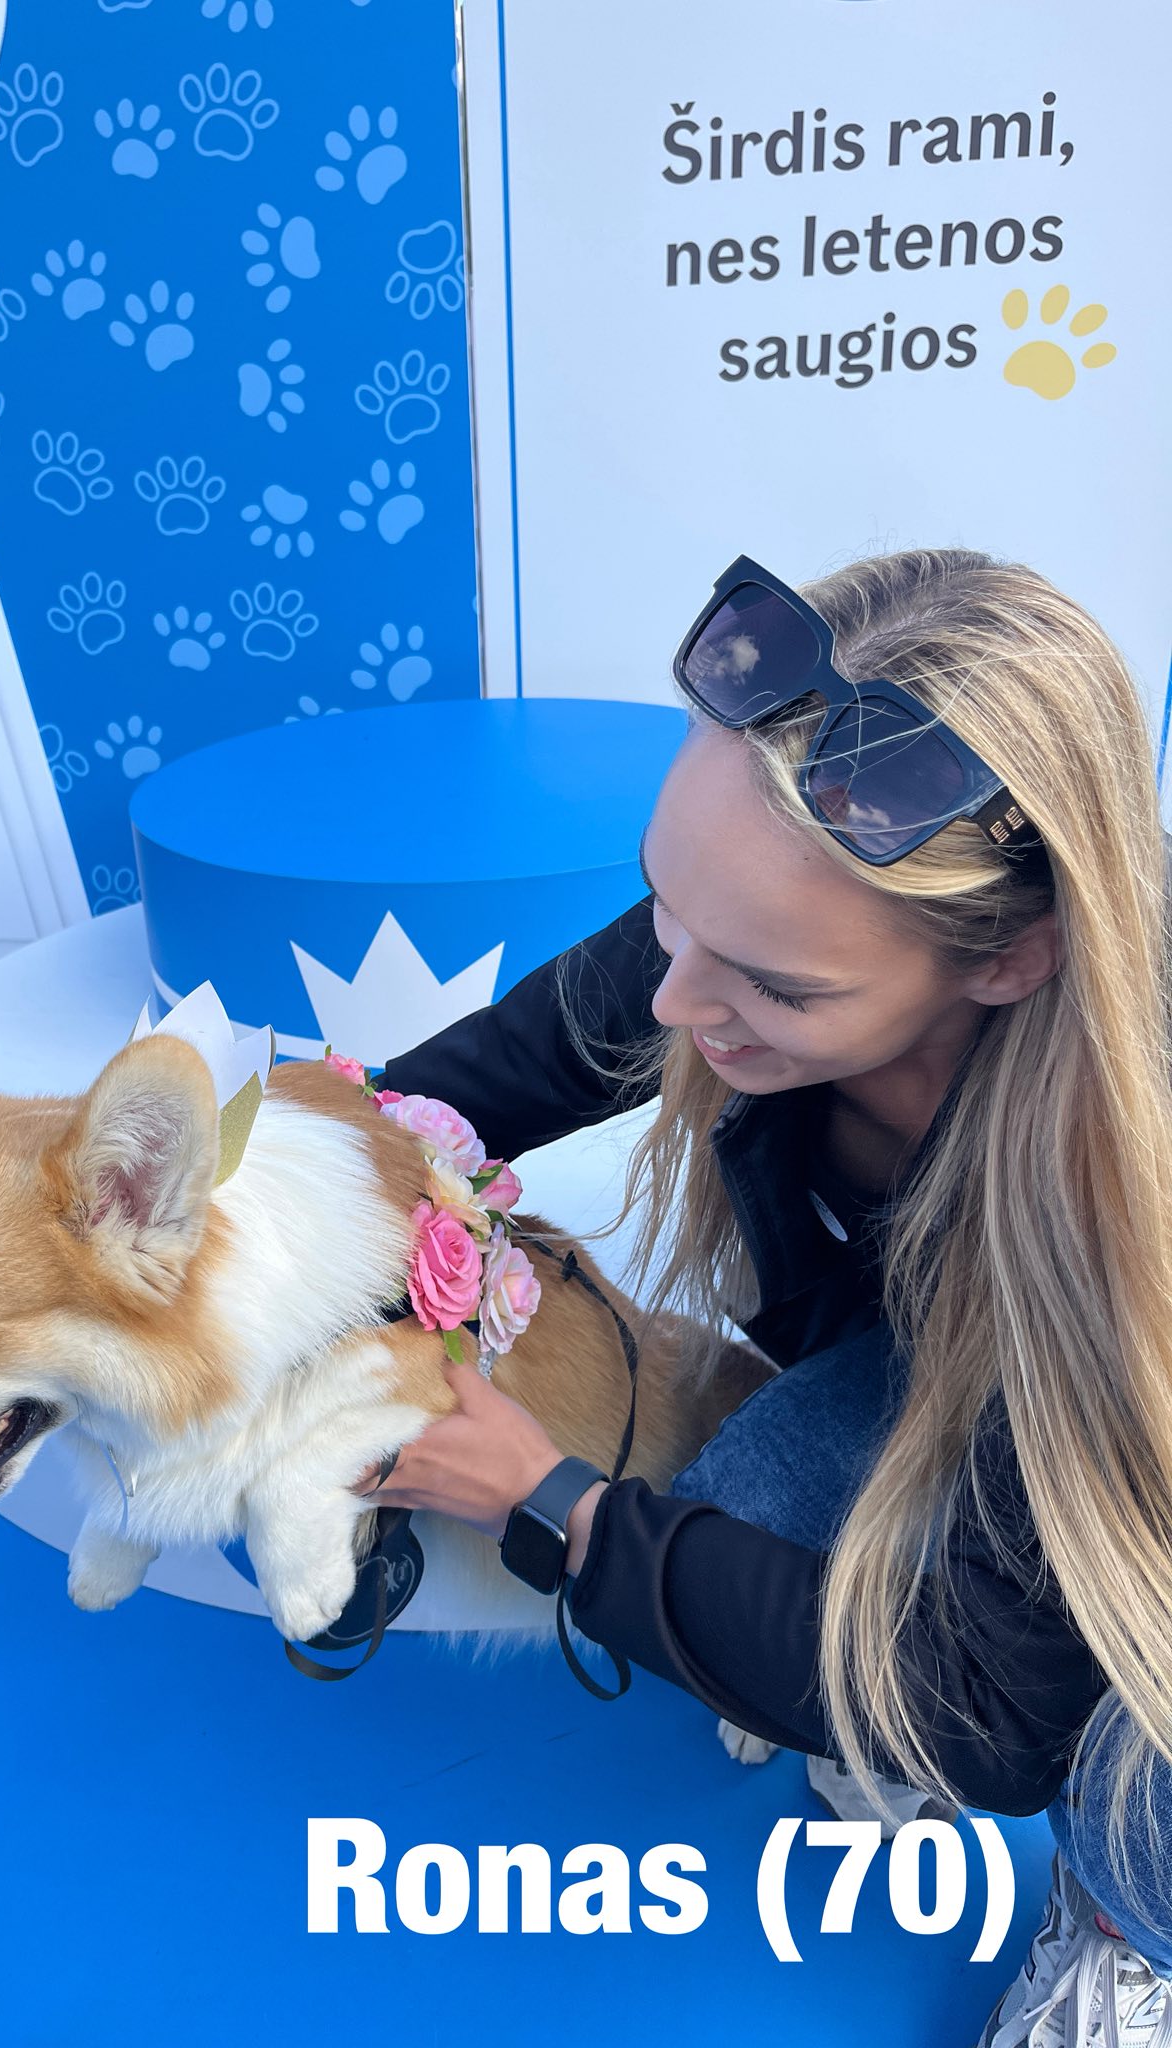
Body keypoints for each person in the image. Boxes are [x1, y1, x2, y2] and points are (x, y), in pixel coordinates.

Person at [351, 549, 1172, 2047]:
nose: (671, 1003)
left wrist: (547, 1503)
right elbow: (523, 1055)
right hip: (958, 1357)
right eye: (667, 904)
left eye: (779, 991)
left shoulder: (1136, 1206)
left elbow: (992, 1715)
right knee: (748, 1514)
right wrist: (322, 1170)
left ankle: (1134, 1920)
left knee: (1122, 1748)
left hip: (1139, 1408)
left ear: (1017, 957)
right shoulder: (756, 922)